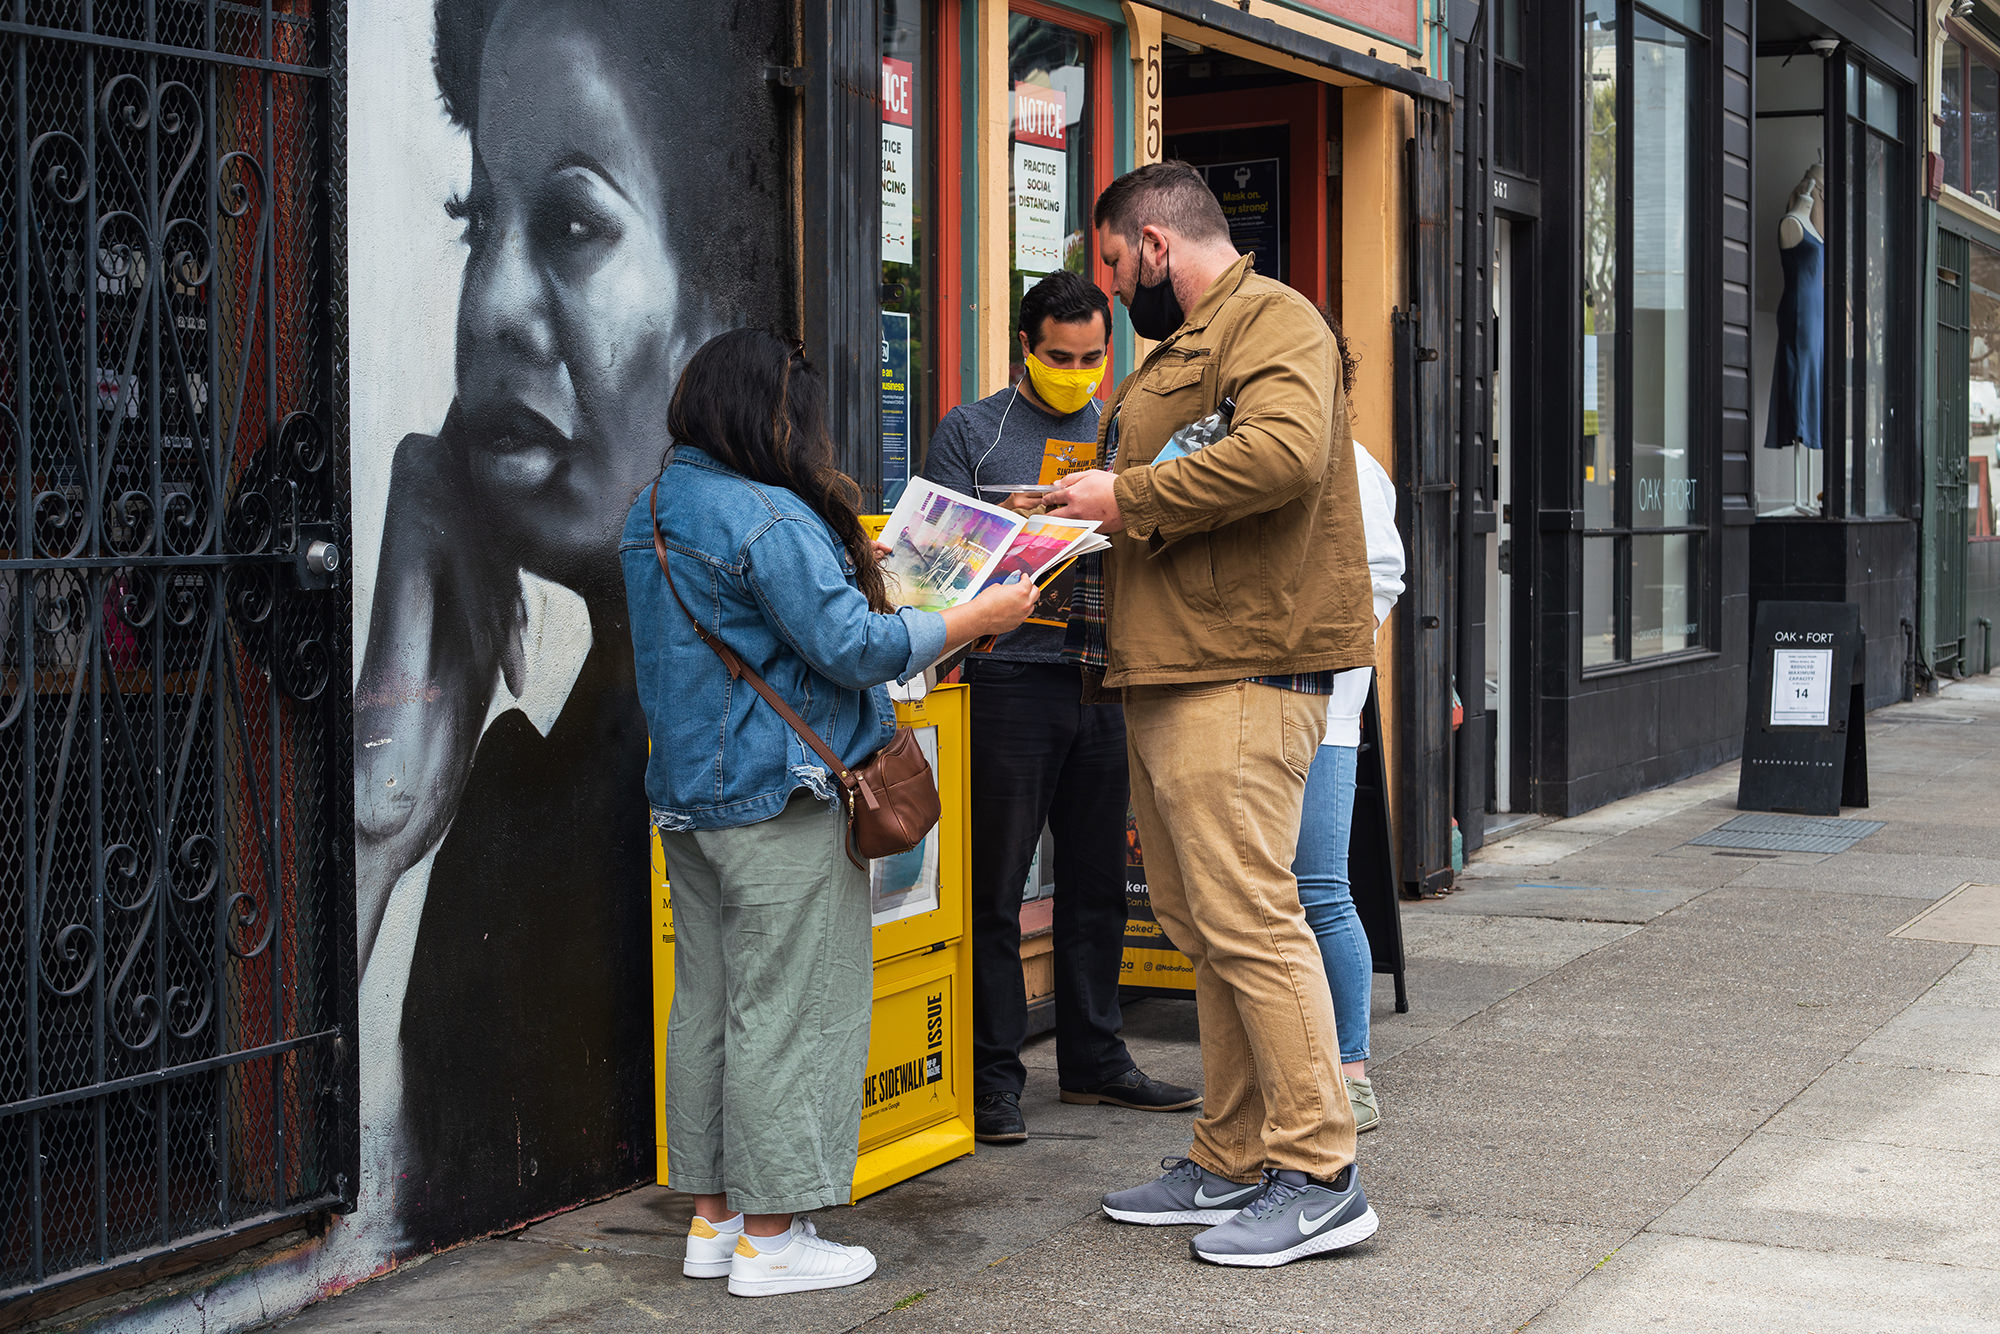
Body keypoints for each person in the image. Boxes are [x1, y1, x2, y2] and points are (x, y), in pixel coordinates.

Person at [352, 0, 787, 1235]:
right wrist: (379, 823)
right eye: (476, 218)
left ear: (711, 314)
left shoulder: (668, 750)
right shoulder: (511, 795)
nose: (491, 303)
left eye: (573, 224)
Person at [623, 330, 1035, 1297]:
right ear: (768, 416)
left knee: (713, 1008)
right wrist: (975, 618)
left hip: (692, 800)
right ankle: (772, 1239)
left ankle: (715, 1221)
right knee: (794, 1013)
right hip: (783, 797)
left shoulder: (654, 506)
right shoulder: (765, 515)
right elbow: (852, 647)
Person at [1049, 161, 1380, 1267]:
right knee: (1205, 925)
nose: (1105, 288)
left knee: (1247, 916)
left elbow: (1284, 455)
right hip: (1180, 667)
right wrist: (1067, 514)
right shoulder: (1190, 345)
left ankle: (1320, 1169)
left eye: (1109, 263)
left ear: (1152, 242)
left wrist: (1124, 494)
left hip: (1240, 669)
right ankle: (1230, 1152)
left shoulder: (1270, 318)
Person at [919, 271, 1199, 1145]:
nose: (1076, 371)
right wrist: (1014, 531)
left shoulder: (1127, 430)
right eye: (1058, 357)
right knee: (994, 889)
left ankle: (1095, 1060)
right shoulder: (971, 431)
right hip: (1008, 681)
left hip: (1109, 675)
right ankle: (992, 1078)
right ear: (1025, 350)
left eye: (1090, 357)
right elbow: (928, 565)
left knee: (1096, 888)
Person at [1294, 422, 1404, 1135]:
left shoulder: (1350, 462)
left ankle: (1352, 1074)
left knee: (1322, 890)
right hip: (1250, 700)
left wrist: (1330, 646)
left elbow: (1383, 574)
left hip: (1325, 707)